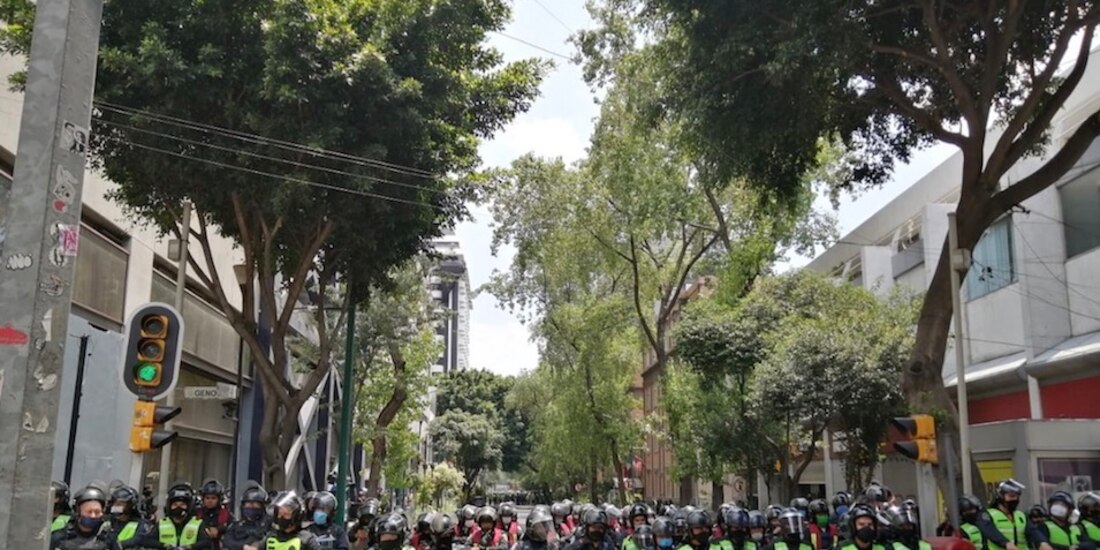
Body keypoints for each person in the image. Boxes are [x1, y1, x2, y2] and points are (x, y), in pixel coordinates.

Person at [51, 483, 121, 550]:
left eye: (97, 512)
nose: (93, 516)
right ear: (78, 512)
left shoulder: (110, 538)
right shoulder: (59, 537)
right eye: (89, 512)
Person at [149, 481, 213, 549]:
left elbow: (207, 542)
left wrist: (189, 547)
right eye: (175, 505)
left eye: (182, 505)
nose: (178, 508)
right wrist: (164, 546)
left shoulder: (198, 523)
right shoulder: (162, 523)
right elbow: (147, 541)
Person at [257, 492, 322, 550]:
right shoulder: (271, 536)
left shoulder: (305, 538)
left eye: (286, 514)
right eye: (279, 514)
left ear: (296, 517)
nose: (282, 517)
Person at [977, 479, 1028, 550]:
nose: (1015, 499)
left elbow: (1033, 532)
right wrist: (1006, 543)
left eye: (1017, 496)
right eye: (1012, 496)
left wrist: (1042, 542)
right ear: (1001, 496)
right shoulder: (987, 514)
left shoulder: (1021, 515)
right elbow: (989, 530)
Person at [221, 482, 270, 550]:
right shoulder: (236, 525)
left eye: (255, 504)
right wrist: (243, 547)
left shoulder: (268, 524)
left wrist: (259, 545)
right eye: (248, 504)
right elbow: (227, 541)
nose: (251, 506)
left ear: (262, 506)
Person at [106, 484, 152, 548]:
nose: (116, 507)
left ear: (130, 506)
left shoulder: (141, 525)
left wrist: (122, 545)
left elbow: (140, 540)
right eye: (115, 504)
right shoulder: (108, 522)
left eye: (120, 504)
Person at [197, 478, 233, 545]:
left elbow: (233, 529)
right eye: (207, 498)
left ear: (219, 499)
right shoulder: (197, 513)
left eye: (213, 498)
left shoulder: (225, 514)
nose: (210, 501)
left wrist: (219, 529)